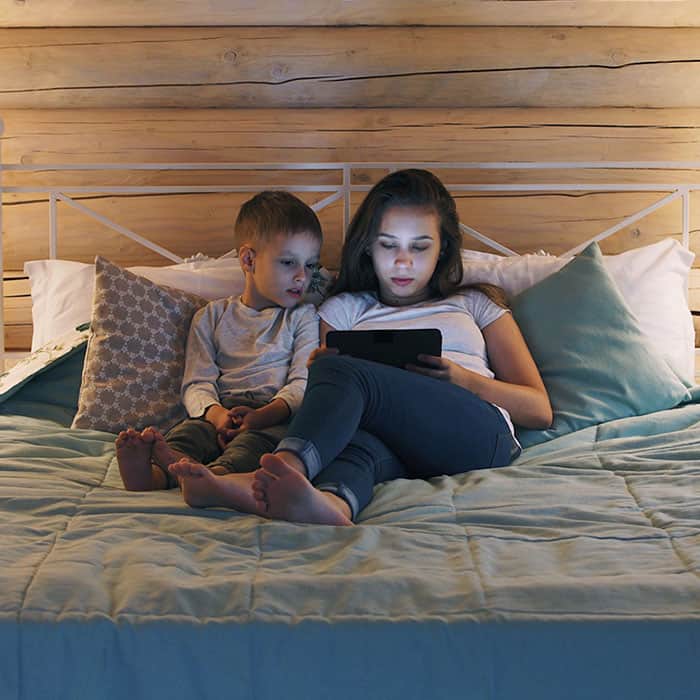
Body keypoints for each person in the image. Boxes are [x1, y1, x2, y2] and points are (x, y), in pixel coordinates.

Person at [168, 169, 552, 524]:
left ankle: (273, 472)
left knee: (341, 371)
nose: (403, 262)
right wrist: (323, 373)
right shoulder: (342, 309)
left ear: (443, 248)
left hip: (474, 435)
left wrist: (463, 380)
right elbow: (334, 408)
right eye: (388, 245)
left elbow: (539, 411)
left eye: (420, 247)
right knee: (354, 432)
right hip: (393, 442)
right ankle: (332, 504)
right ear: (368, 246)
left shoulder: (475, 302)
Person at [115, 190, 323, 508]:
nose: (301, 276)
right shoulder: (211, 316)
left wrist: (264, 415)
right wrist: (216, 415)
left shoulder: (303, 317)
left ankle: (215, 479)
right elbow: (197, 382)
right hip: (219, 412)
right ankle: (156, 475)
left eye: (310, 266)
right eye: (288, 262)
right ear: (248, 260)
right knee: (187, 434)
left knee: (256, 448)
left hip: (272, 415)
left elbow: (302, 382)